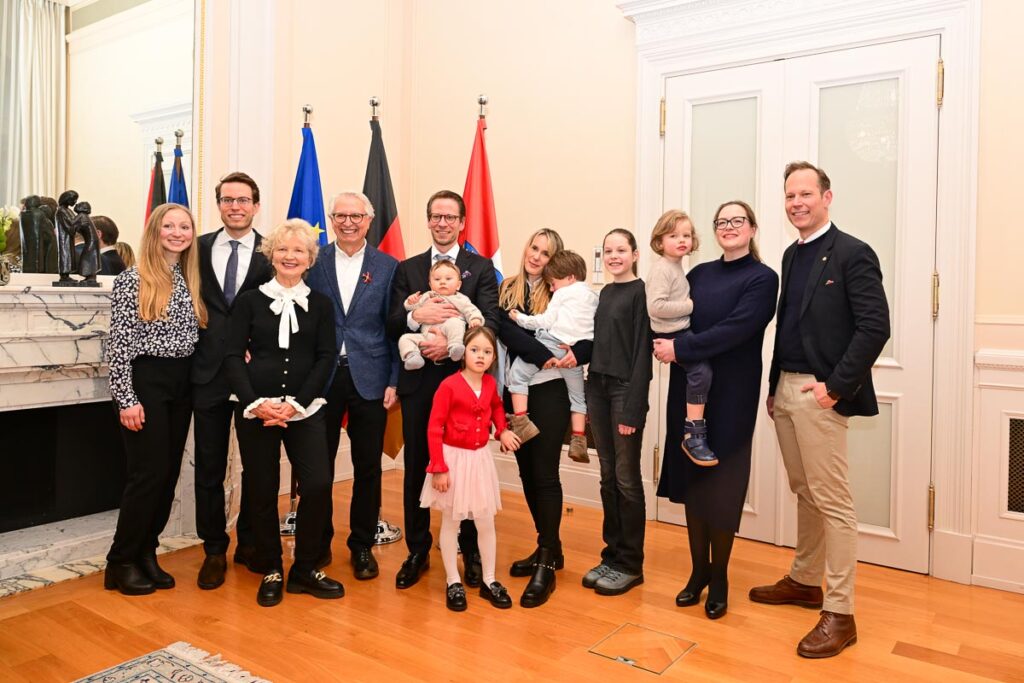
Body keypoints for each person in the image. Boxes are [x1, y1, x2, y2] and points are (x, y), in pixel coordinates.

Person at [750, 162, 890, 658]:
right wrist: (773, 387)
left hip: (820, 393)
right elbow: (789, 324)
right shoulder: (792, 254)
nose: (796, 203)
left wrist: (834, 387)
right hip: (785, 390)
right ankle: (806, 582)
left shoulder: (853, 253)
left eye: (805, 193)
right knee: (804, 491)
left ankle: (841, 611)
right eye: (790, 196)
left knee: (834, 502)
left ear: (827, 197)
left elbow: (875, 327)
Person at [654, 200, 778, 620]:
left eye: (737, 221)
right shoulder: (698, 274)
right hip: (689, 393)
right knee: (694, 485)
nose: (729, 227)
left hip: (733, 396)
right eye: (722, 222)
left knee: (723, 489)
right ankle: (698, 572)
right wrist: (666, 345)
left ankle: (720, 576)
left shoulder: (763, 279)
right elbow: (671, 317)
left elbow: (737, 329)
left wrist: (680, 348)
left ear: (752, 228)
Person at [223, 218, 342, 607]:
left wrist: (296, 404)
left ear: (310, 260)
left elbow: (326, 358)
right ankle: (271, 566)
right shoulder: (249, 302)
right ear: (270, 254)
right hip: (257, 408)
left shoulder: (321, 305)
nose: (290, 256)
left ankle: (305, 568)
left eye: (299, 251)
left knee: (319, 483)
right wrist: (257, 403)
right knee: (261, 488)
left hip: (305, 410)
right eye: (283, 249)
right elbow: (231, 356)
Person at [387, 190, 500, 590]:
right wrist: (417, 315)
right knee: (418, 462)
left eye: (450, 217)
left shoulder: (481, 267)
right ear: (428, 220)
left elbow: (489, 322)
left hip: (464, 382)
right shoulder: (408, 268)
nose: (442, 223)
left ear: (462, 222)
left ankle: (469, 552)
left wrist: (451, 343)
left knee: (465, 469)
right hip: (419, 383)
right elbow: (392, 320)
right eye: (436, 216)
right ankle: (417, 549)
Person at [104, 203, 207, 596]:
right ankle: (120, 562)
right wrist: (126, 399)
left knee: (166, 477)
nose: (177, 232)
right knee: (146, 476)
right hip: (146, 381)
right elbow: (119, 347)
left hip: (182, 385)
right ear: (155, 230)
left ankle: (147, 551)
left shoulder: (189, 277)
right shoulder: (134, 279)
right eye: (169, 226)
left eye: (185, 226)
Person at [306, 190, 399, 581]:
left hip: (371, 376)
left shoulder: (389, 266)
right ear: (331, 219)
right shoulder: (313, 260)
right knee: (317, 467)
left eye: (356, 216)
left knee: (368, 468)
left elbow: (396, 327)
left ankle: (362, 545)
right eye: (340, 215)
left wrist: (394, 378)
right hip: (321, 376)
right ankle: (318, 542)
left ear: (369, 219)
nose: (348, 222)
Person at [497, 228, 587, 607]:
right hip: (514, 390)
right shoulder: (506, 287)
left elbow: (584, 336)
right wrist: (541, 353)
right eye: (534, 247)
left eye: (546, 253)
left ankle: (547, 562)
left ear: (557, 262)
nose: (536, 256)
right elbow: (500, 328)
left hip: (550, 394)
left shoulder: (565, 294)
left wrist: (578, 352)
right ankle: (548, 546)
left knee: (545, 473)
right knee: (527, 473)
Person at [192, 172, 274, 590]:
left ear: (256, 206)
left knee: (258, 467)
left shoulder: (273, 252)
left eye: (243, 200)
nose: (235, 207)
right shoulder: (196, 247)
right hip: (205, 373)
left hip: (253, 377)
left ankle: (251, 542)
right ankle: (213, 549)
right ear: (219, 205)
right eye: (228, 200)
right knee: (209, 467)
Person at [420, 327, 522, 611]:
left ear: (493, 358)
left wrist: (501, 431)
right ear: (463, 352)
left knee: (485, 521)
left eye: (487, 352)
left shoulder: (489, 384)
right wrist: (438, 467)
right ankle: (453, 580)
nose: (481, 355)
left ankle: (489, 580)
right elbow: (434, 427)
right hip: (453, 461)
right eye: (475, 349)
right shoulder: (449, 386)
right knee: (451, 521)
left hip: (479, 461)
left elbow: (498, 408)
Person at [581, 229, 652, 596]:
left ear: (635, 254)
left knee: (626, 478)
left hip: (626, 393)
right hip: (599, 389)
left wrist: (634, 411)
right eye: (608, 250)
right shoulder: (605, 293)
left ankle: (630, 562)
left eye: (621, 250)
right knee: (607, 476)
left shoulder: (642, 293)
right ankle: (611, 555)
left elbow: (643, 355)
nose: (614, 256)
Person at [507, 250, 597, 463]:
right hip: (573, 354)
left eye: (553, 283)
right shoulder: (595, 296)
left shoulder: (563, 293)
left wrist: (519, 318)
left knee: (517, 375)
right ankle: (578, 439)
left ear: (570, 278)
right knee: (577, 396)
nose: (551, 287)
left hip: (552, 343)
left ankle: (521, 422)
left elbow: (545, 321)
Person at [646, 210, 715, 465]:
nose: (681, 240)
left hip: (680, 330)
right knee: (701, 372)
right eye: (673, 235)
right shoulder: (663, 269)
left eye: (686, 235)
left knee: (705, 368)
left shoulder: (676, 267)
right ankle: (693, 431)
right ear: (660, 241)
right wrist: (690, 305)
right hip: (671, 333)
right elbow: (656, 307)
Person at [399, 259, 484, 369]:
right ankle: (412, 356)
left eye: (448, 279)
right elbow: (411, 308)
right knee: (405, 338)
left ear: (458, 285)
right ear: (430, 284)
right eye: (437, 279)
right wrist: (410, 301)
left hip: (448, 335)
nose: (442, 282)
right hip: (426, 337)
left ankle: (455, 347)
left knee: (455, 323)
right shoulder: (427, 296)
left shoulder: (460, 298)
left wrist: (475, 319)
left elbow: (471, 310)